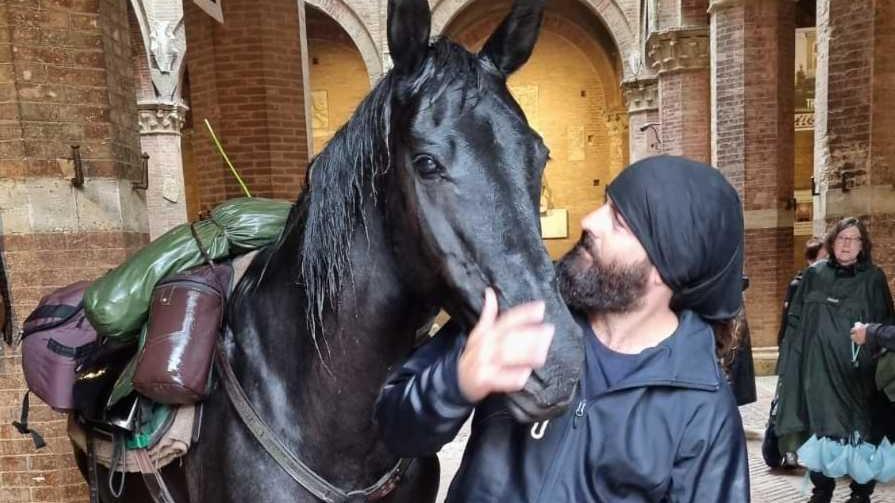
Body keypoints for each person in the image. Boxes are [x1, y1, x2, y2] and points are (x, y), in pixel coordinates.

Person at [374, 155, 749, 502]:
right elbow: (391, 430)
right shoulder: (521, 307)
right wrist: (456, 383)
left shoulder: (702, 408)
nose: (591, 221)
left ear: (665, 271)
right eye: (606, 204)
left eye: (619, 221)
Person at [775, 217, 894, 503]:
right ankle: (821, 490)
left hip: (859, 372)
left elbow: (885, 323)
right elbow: (796, 323)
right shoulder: (814, 275)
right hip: (819, 370)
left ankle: (861, 492)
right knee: (823, 428)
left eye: (854, 239)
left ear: (863, 246)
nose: (847, 244)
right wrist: (791, 363)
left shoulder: (874, 278)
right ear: (832, 241)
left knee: (861, 429)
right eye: (842, 238)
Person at [765, 237, 829, 470]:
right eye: (824, 256)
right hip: (797, 352)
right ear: (813, 258)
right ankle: (788, 450)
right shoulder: (799, 284)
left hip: (818, 354)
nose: (828, 261)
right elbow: (789, 323)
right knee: (790, 402)